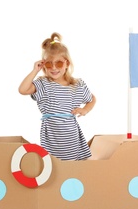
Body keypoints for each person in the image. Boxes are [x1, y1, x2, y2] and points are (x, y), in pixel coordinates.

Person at [18, 32, 96, 160]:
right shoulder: (43, 84)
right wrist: (35, 70)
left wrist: (85, 110)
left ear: (67, 64)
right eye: (49, 64)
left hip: (72, 139)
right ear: (44, 65)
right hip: (52, 139)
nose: (54, 68)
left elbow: (92, 99)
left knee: (73, 168)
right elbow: (23, 89)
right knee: (54, 166)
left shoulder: (77, 85)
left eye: (59, 63)